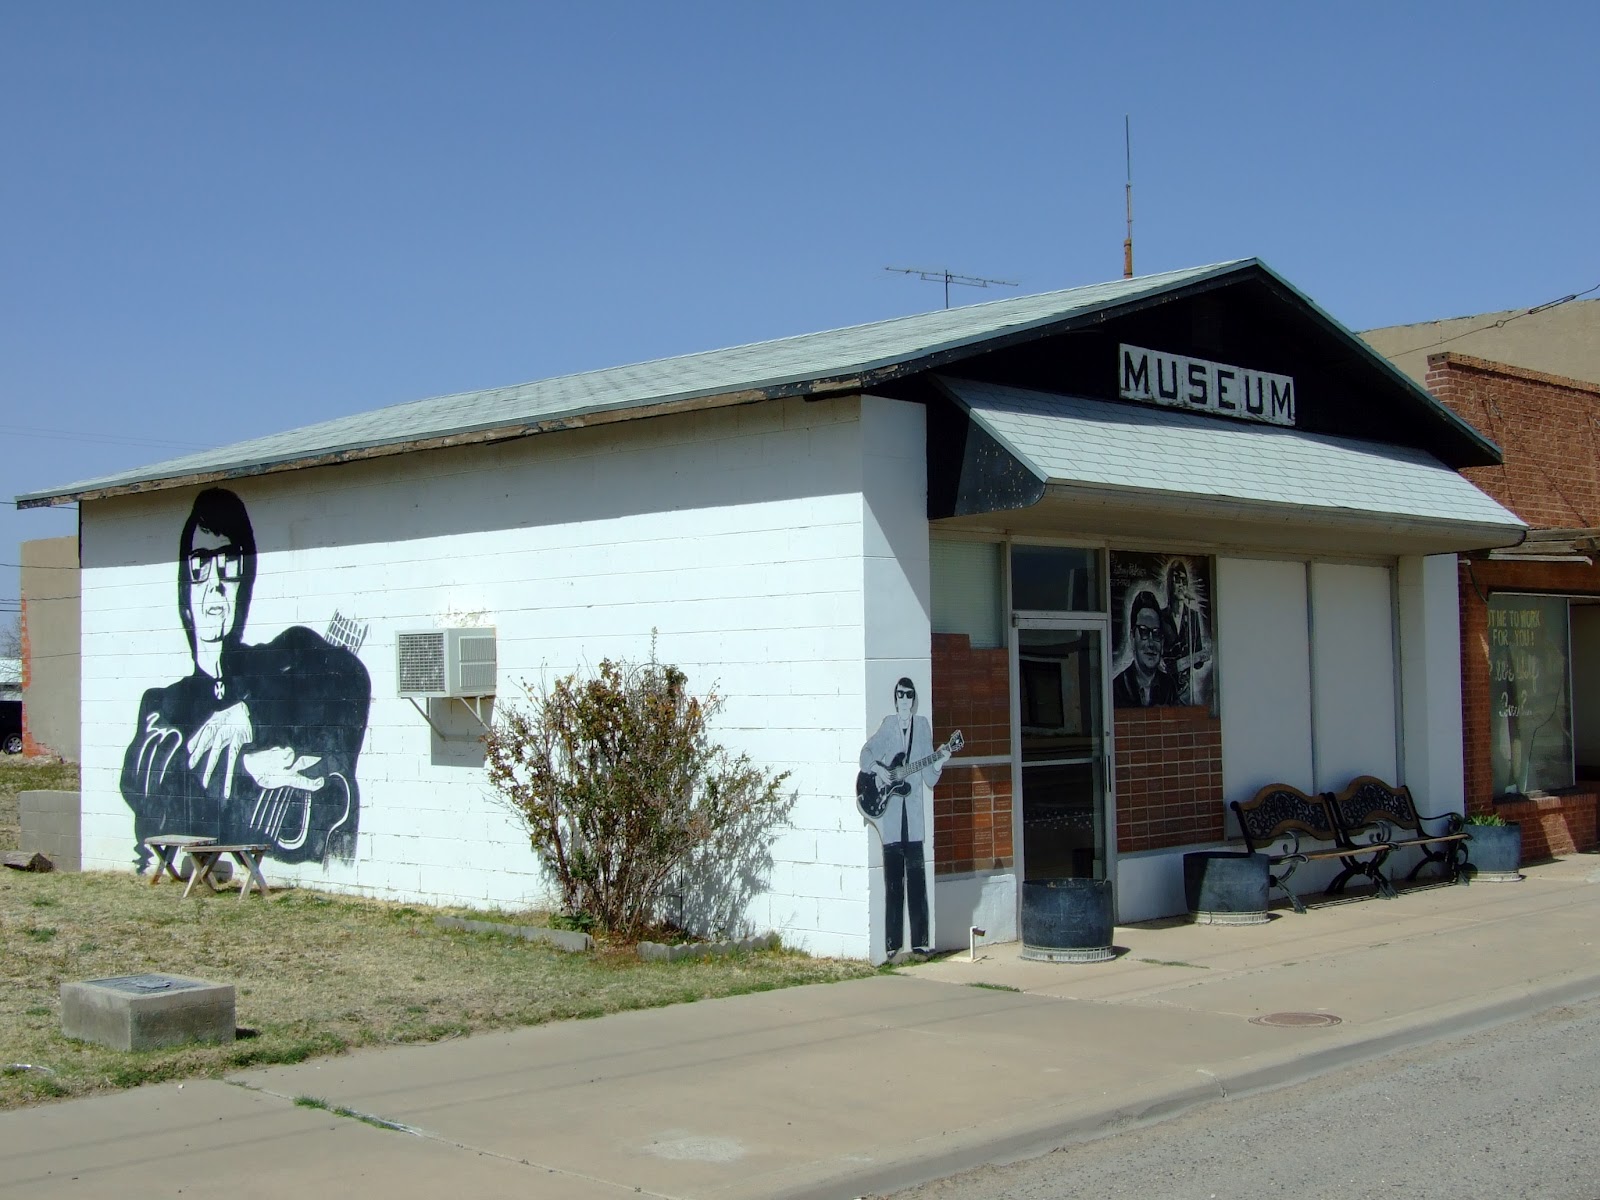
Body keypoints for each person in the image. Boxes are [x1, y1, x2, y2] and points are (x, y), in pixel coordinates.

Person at [120, 488, 371, 870]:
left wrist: (251, 711)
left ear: (246, 585)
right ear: (183, 591)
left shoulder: (278, 660)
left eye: (230, 564)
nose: (215, 581)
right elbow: (153, 784)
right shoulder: (163, 704)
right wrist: (246, 769)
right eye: (199, 564)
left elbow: (347, 676)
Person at [857, 677, 952, 958]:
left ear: (914, 700)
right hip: (889, 813)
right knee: (893, 882)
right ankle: (891, 944)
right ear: (895, 699)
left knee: (917, 878)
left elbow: (929, 779)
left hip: (913, 816)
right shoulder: (887, 725)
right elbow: (865, 754)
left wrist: (940, 761)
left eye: (909, 696)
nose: (904, 700)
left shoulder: (922, 726)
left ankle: (921, 941)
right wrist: (878, 769)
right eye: (900, 695)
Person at [1113, 590, 1180, 707]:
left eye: (1156, 633)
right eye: (1143, 631)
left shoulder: (1169, 687)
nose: (1151, 643)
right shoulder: (1118, 688)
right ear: (1132, 637)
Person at [1161, 559, 1210, 705]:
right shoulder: (1161, 617)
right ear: (1170, 583)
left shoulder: (1192, 616)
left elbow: (1198, 660)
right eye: (1176, 580)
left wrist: (1199, 657)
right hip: (1164, 689)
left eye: (1183, 580)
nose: (1181, 585)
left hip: (1185, 691)